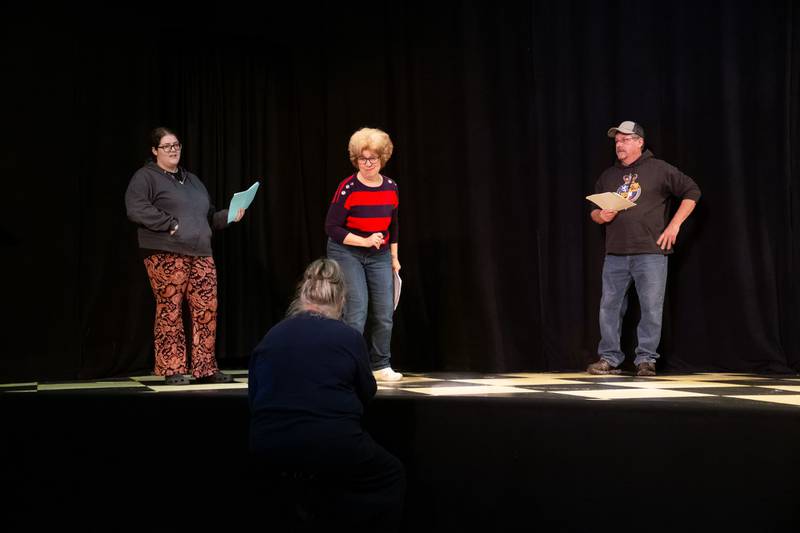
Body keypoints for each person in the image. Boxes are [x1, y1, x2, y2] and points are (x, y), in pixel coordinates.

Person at [248, 258, 406, 530]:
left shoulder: (272, 335)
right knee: (390, 474)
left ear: (301, 294)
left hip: (269, 444)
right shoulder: (348, 337)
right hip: (332, 443)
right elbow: (367, 392)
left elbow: (256, 394)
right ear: (342, 300)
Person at [125, 126, 244, 385]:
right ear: (155, 150)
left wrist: (229, 215)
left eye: (176, 145)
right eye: (167, 146)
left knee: (206, 310)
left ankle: (205, 368)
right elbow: (136, 208)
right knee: (171, 310)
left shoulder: (192, 180)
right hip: (166, 252)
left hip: (201, 253)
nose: (173, 150)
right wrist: (169, 223)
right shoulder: (146, 177)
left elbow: (208, 216)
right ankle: (173, 367)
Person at [586, 121, 701, 377]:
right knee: (609, 307)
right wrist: (600, 216)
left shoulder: (658, 169)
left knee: (651, 307)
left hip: (650, 252)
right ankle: (609, 358)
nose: (619, 144)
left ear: (639, 142)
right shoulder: (608, 176)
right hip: (615, 253)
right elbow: (593, 212)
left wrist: (674, 226)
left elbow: (692, 191)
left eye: (625, 139)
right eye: (617, 141)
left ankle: (646, 359)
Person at [325, 127, 403, 382]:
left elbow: (393, 225)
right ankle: (350, 365)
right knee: (356, 310)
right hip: (347, 251)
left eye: (373, 158)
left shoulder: (391, 187)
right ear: (356, 159)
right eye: (363, 158)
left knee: (384, 311)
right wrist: (365, 240)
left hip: (379, 254)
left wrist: (394, 258)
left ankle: (381, 364)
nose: (368, 164)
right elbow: (332, 228)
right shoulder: (348, 188)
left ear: (382, 159)